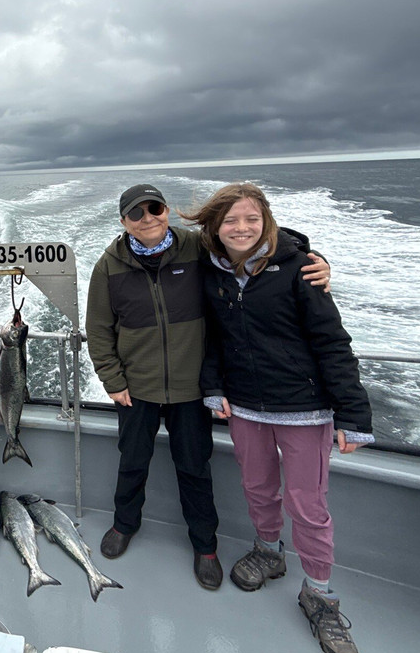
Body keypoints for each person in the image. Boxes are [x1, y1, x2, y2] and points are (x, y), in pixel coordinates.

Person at [85, 183, 330, 591]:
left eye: (155, 208)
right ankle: (124, 524)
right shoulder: (108, 266)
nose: (147, 218)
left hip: (191, 388)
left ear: (166, 211)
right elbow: (98, 329)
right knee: (132, 462)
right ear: (123, 221)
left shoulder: (195, 248)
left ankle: (205, 546)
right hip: (137, 388)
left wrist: (313, 258)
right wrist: (112, 379)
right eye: (136, 213)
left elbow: (250, 243)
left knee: (195, 469)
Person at [189, 182, 372, 653]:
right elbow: (214, 340)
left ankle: (320, 594)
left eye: (251, 218)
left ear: (265, 220)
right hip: (246, 405)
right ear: (215, 228)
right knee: (257, 486)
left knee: (308, 503)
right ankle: (268, 550)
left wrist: (352, 413)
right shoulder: (213, 273)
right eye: (231, 221)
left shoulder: (300, 269)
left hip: (304, 408)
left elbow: (333, 342)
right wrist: (214, 387)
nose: (242, 228)